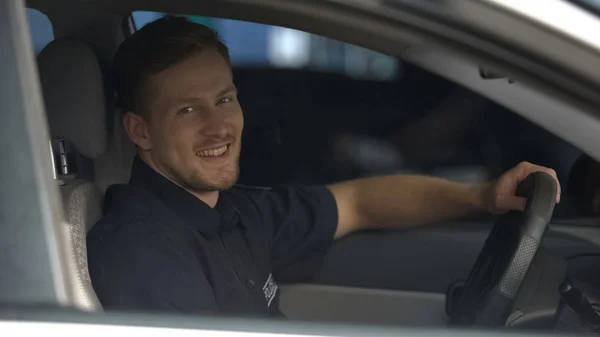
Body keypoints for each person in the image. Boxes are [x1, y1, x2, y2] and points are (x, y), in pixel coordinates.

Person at [86, 16, 561, 317]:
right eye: (187, 110)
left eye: (225, 99)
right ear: (139, 131)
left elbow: (360, 203)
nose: (219, 127)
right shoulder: (141, 251)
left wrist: (481, 196)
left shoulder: (231, 212)